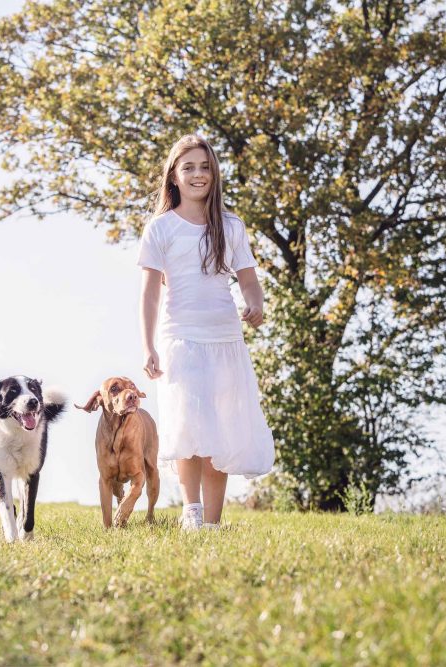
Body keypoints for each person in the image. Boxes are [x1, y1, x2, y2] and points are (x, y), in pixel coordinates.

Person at [138, 135, 275, 530]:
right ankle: (192, 512)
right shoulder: (161, 228)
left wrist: (256, 304)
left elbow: (249, 281)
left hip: (224, 338)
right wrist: (148, 346)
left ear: (214, 174)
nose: (198, 174)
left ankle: (212, 524)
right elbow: (149, 294)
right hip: (180, 336)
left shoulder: (230, 226)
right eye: (189, 168)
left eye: (204, 167)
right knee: (188, 421)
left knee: (220, 426)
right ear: (174, 177)